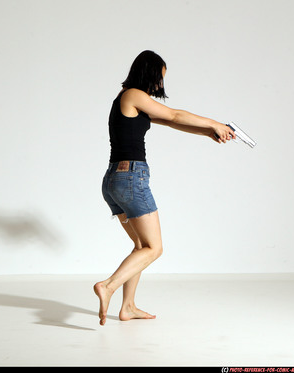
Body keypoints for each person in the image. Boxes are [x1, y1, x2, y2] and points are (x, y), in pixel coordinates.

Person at [94, 50, 235, 326]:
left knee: (140, 246)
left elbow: (171, 121)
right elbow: (174, 112)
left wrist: (209, 132)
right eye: (160, 78)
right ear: (148, 73)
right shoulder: (133, 94)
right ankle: (108, 286)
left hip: (114, 180)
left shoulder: (128, 102)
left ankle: (128, 307)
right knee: (154, 248)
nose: (160, 85)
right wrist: (214, 122)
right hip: (131, 178)